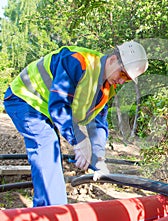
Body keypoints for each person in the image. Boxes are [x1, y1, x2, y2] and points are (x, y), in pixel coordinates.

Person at [3, 41, 148, 207]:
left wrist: (98, 159)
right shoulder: (78, 61)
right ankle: (54, 212)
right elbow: (59, 105)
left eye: (128, 80)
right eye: (123, 74)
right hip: (24, 98)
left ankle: (45, 211)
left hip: (45, 108)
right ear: (113, 59)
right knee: (47, 145)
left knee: (50, 148)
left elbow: (98, 123)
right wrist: (79, 141)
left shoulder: (108, 86)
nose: (122, 81)